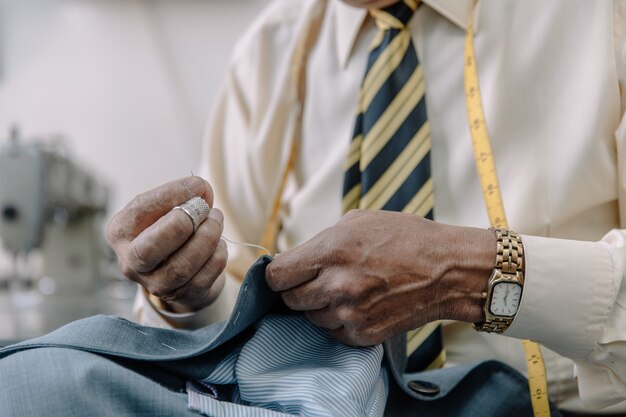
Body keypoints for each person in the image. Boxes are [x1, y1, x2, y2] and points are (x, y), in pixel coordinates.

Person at [106, 0, 626, 414]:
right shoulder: (268, 55)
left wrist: (469, 275)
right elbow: (219, 309)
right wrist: (184, 296)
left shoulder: (601, 16)